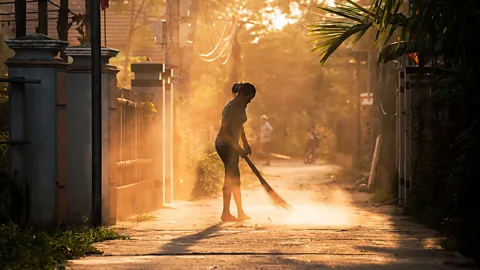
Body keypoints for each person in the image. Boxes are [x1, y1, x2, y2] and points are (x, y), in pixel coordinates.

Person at [215, 82, 256, 222]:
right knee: (233, 178)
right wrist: (237, 147)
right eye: (249, 99)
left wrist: (244, 142)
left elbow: (240, 125)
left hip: (233, 146)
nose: (249, 102)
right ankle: (234, 213)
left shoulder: (240, 106)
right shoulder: (230, 108)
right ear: (242, 95)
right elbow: (223, 133)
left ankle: (232, 213)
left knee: (233, 178)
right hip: (224, 146)